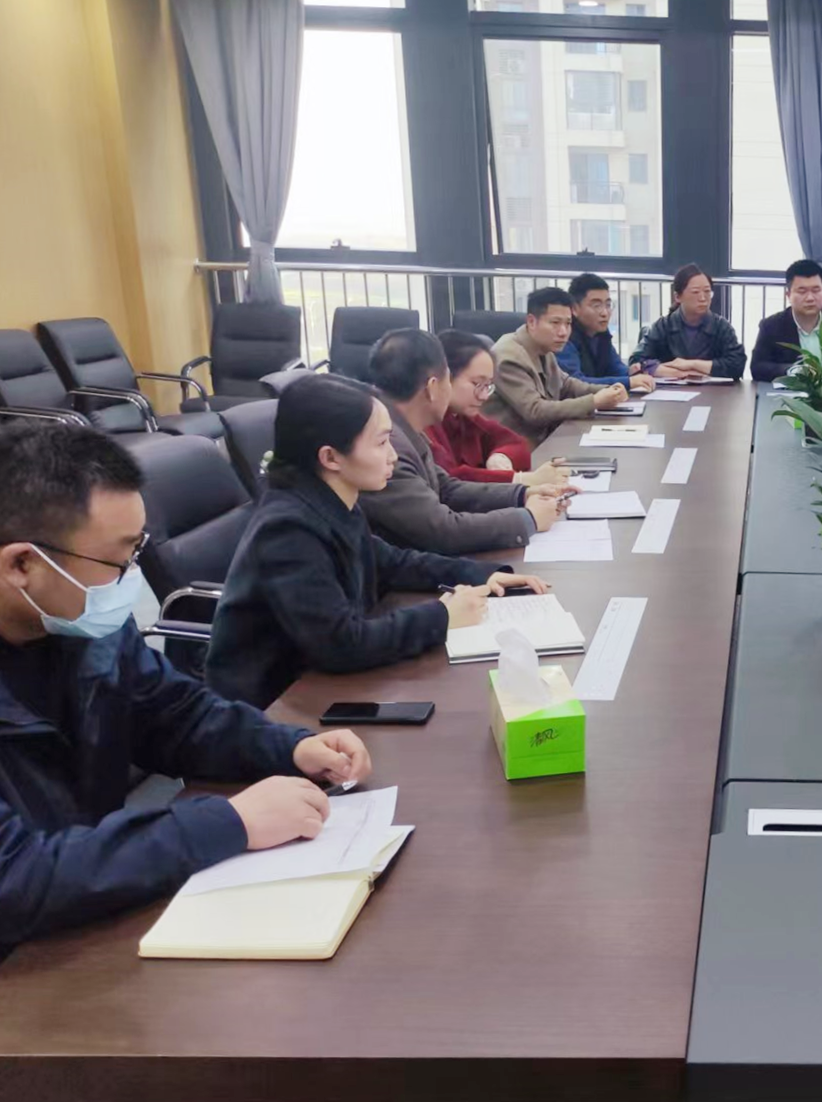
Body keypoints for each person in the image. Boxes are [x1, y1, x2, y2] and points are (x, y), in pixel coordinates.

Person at [0, 424, 375, 952]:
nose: (131, 579)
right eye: (118, 560)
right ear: (21, 564)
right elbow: (14, 879)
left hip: (82, 921)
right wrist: (227, 823)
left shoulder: (82, 624)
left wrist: (289, 747)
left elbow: (176, 715)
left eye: (137, 551)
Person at [206, 374, 547, 709]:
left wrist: (483, 575)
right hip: (273, 706)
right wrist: (442, 616)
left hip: (320, 685)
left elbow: (392, 562)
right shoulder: (288, 529)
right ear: (330, 458)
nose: (393, 456)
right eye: (382, 443)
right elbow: (340, 644)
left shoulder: (331, 499)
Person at [362, 328, 570, 555]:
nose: (484, 395)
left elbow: (447, 489)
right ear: (432, 387)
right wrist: (528, 519)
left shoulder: (405, 429)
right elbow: (442, 531)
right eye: (448, 380)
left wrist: (522, 494)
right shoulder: (388, 446)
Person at [426, 330, 574, 490]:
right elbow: (449, 479)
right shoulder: (426, 422)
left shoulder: (464, 416)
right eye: (477, 384)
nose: (484, 396)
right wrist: (519, 479)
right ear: (444, 378)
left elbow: (517, 443)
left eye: (488, 386)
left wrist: (502, 456)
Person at [486, 288, 632, 447]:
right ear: (532, 322)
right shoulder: (509, 356)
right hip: (516, 450)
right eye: (555, 323)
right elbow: (535, 410)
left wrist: (608, 390)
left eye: (568, 323)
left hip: (545, 439)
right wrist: (594, 401)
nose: (563, 332)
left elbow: (567, 385)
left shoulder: (544, 347)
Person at [749, 258, 822, 382]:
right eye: (802, 291)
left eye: (816, 290)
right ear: (788, 295)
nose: (810, 298)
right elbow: (757, 367)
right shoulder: (771, 326)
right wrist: (791, 371)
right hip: (791, 392)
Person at [628, 264, 747, 380]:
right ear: (677, 297)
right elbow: (636, 361)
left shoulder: (721, 327)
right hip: (670, 391)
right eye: (695, 292)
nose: (703, 298)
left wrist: (691, 364)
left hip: (712, 391)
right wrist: (676, 373)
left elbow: (737, 365)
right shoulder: (664, 326)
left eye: (707, 292)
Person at [556, 273, 654, 392]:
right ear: (574, 309)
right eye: (597, 306)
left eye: (608, 305)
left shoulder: (601, 333)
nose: (605, 313)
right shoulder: (563, 336)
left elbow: (615, 368)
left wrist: (632, 372)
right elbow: (576, 382)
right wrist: (628, 382)